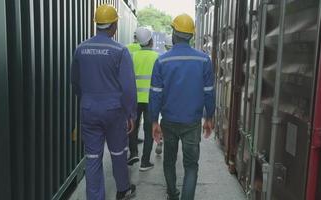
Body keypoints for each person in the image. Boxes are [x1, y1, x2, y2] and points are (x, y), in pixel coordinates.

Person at [71, 5, 137, 200]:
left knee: (92, 157)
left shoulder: (81, 49)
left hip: (89, 109)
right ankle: (122, 190)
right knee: (118, 152)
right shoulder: (120, 51)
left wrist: (86, 100)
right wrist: (130, 113)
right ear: (114, 25)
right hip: (114, 111)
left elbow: (75, 81)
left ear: (96, 25)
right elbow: (128, 88)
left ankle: (94, 197)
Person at [149, 13, 215, 200]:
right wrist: (209, 117)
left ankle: (172, 194)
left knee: (169, 161)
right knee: (191, 165)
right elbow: (209, 92)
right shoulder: (204, 60)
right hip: (192, 122)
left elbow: (155, 94)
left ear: (174, 33)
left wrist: (154, 120)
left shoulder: (162, 61)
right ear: (191, 35)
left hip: (169, 121)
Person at [127, 27, 159, 171]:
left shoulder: (132, 56)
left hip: (135, 99)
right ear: (151, 41)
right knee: (149, 130)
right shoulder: (157, 57)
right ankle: (145, 162)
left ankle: (133, 152)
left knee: (132, 127)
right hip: (151, 100)